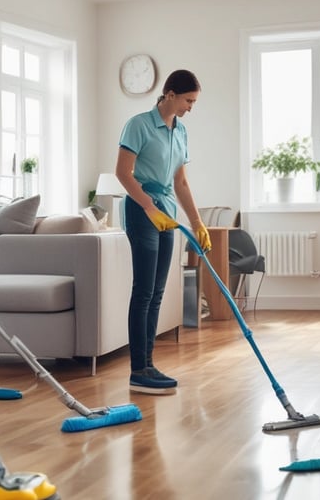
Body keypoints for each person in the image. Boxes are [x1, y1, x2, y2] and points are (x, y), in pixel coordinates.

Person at [115, 69, 212, 395]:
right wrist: (148, 206)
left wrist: (198, 223)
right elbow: (123, 173)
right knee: (143, 290)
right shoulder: (139, 125)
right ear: (170, 94)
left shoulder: (180, 132)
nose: (190, 107)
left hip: (167, 216)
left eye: (194, 101)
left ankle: (149, 365)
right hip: (143, 212)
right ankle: (137, 369)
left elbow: (180, 182)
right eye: (188, 100)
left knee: (157, 292)